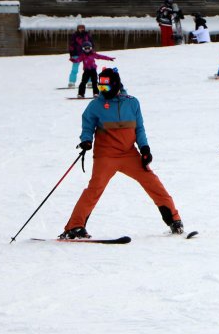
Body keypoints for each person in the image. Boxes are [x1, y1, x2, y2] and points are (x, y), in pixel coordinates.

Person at [61, 68, 184, 239]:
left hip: (129, 154)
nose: (102, 91)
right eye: (100, 87)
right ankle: (74, 227)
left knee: (153, 183)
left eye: (105, 87)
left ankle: (174, 221)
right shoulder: (96, 105)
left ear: (115, 84)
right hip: (106, 156)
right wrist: (86, 140)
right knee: (94, 189)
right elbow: (87, 125)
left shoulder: (132, 102)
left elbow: (139, 128)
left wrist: (145, 149)